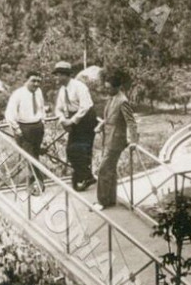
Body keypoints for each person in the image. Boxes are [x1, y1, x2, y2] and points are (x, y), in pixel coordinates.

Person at [52, 60, 97, 194]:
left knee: (81, 149)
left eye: (58, 75)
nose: (56, 78)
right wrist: (63, 120)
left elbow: (85, 107)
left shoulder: (79, 87)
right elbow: (58, 109)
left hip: (86, 119)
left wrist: (71, 121)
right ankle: (86, 177)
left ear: (66, 75)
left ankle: (84, 178)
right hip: (74, 119)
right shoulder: (62, 90)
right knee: (70, 151)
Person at [94, 68, 137, 209]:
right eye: (106, 88)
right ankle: (110, 199)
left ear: (117, 87)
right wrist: (101, 125)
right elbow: (109, 118)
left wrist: (134, 141)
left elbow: (131, 122)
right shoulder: (112, 98)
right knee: (110, 170)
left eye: (109, 88)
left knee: (104, 170)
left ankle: (102, 202)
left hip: (116, 141)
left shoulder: (122, 101)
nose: (107, 91)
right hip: (108, 138)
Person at [4, 74, 47, 185]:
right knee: (30, 157)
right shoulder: (18, 94)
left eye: (38, 81)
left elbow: (42, 108)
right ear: (26, 80)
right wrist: (17, 129)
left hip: (37, 127)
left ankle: (33, 183)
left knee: (35, 155)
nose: (36, 84)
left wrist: (42, 121)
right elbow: (9, 113)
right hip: (24, 128)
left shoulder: (38, 92)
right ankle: (39, 182)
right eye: (33, 81)